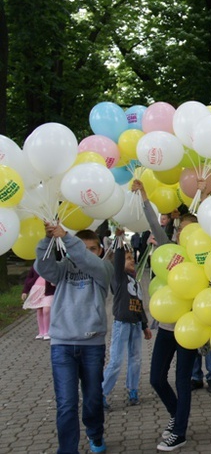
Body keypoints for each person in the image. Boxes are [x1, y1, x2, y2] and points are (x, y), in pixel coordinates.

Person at [35, 225, 113, 454]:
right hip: (62, 345)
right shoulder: (63, 269)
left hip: (92, 345)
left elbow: (87, 261)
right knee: (67, 404)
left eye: (92, 249)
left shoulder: (103, 269)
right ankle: (67, 450)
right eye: (83, 248)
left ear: (100, 251)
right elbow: (42, 265)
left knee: (92, 400)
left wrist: (68, 238)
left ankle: (95, 433)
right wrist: (47, 240)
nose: (87, 252)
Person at [134, 179, 200, 452]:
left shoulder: (201, 255)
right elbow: (152, 223)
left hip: (191, 327)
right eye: (181, 228)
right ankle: (177, 416)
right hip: (166, 325)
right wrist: (145, 196)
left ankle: (180, 431)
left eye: (189, 229)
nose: (184, 233)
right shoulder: (169, 249)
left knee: (183, 379)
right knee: (156, 379)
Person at [101, 229, 152, 411]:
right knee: (116, 361)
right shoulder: (119, 279)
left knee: (136, 359)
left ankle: (133, 390)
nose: (133, 261)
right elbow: (119, 261)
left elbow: (138, 304)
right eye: (129, 259)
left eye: (132, 259)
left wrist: (145, 325)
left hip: (135, 325)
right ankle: (102, 394)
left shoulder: (135, 281)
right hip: (121, 324)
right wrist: (120, 240)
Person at [21, 265, 56, 340]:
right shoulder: (35, 266)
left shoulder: (52, 265)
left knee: (46, 310)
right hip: (37, 290)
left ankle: (47, 332)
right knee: (39, 310)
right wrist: (25, 291)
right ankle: (41, 332)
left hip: (49, 291)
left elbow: (56, 276)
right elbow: (29, 278)